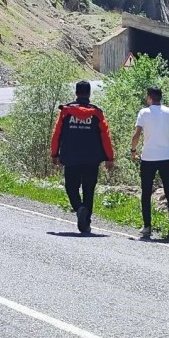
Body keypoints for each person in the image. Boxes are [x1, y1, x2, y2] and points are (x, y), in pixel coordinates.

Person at [51, 80, 115, 234]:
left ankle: (79, 209)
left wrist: (54, 154)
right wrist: (109, 157)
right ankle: (85, 222)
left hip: (70, 157)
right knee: (88, 190)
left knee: (70, 188)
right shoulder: (96, 114)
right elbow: (105, 136)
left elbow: (57, 134)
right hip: (91, 159)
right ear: (89, 94)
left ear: (76, 93)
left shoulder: (66, 112)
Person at [130, 86, 169, 240]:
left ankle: (147, 227)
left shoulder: (143, 113)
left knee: (146, 192)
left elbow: (136, 134)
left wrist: (133, 151)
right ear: (160, 97)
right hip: (166, 158)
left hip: (148, 158)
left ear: (149, 98)